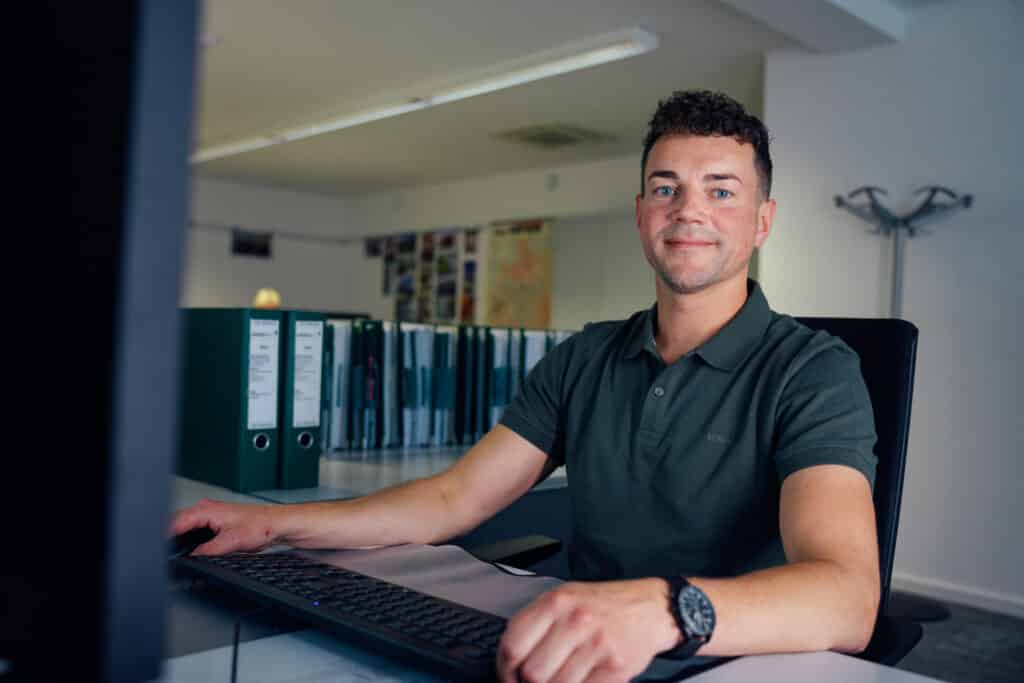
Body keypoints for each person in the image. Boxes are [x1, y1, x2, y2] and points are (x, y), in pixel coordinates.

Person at [172, 90, 881, 683]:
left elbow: (848, 598)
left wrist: (666, 610)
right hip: (573, 648)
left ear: (762, 221)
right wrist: (273, 522)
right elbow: (453, 499)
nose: (688, 210)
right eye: (666, 187)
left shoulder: (814, 370)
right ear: (641, 214)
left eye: (721, 190)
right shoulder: (589, 355)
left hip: (728, 661)